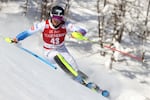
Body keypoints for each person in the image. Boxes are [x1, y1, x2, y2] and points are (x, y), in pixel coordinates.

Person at [12, 5, 87, 82]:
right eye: (55, 17)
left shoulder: (65, 25)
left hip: (62, 49)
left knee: (74, 67)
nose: (57, 20)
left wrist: (79, 33)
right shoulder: (44, 25)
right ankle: (76, 78)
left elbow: (83, 30)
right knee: (57, 55)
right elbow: (28, 32)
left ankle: (88, 81)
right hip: (49, 51)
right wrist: (17, 38)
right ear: (51, 15)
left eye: (59, 18)